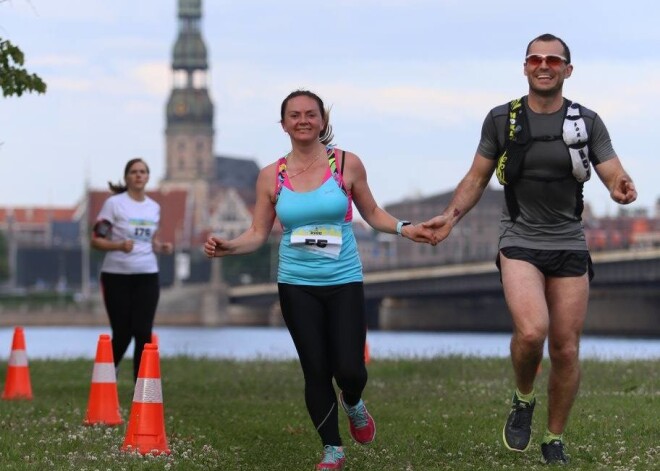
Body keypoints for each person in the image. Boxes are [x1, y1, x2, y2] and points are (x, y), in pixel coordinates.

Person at [422, 34, 637, 465]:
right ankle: (523, 398)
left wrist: (621, 187)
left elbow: (612, 170)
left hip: (569, 243)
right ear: (525, 67)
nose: (544, 65)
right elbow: (477, 177)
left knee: (566, 348)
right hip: (519, 240)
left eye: (553, 60)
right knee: (532, 331)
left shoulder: (586, 121)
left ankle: (554, 438)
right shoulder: (503, 119)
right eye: (535, 59)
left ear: (567, 71)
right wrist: (451, 216)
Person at [204, 90, 434, 470]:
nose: (303, 120)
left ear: (322, 121)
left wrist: (405, 229)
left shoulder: (346, 164)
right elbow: (258, 233)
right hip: (295, 283)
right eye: (294, 115)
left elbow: (372, 212)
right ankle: (332, 449)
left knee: (349, 369)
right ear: (284, 124)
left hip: (343, 278)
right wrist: (227, 246)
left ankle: (354, 402)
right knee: (315, 369)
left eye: (311, 114)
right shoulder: (270, 177)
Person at [91, 158, 173, 382]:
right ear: (127, 177)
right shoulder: (114, 204)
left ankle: (142, 386)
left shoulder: (153, 208)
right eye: (134, 172)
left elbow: (149, 239)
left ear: (147, 177)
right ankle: (105, 376)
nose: (139, 175)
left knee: (144, 332)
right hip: (117, 276)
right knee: (123, 334)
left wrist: (160, 247)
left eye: (143, 172)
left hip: (147, 274)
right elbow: (96, 240)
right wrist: (118, 245)